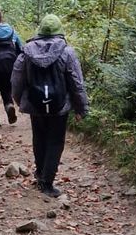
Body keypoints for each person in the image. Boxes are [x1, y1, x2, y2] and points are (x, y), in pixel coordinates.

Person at [11, 13, 88, 197]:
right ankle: (47, 182)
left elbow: (16, 79)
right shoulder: (67, 52)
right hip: (60, 107)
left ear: (40, 31)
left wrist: (20, 100)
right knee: (55, 141)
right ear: (59, 31)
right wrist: (81, 108)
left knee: (39, 138)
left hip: (35, 105)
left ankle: (40, 173)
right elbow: (77, 83)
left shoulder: (26, 52)